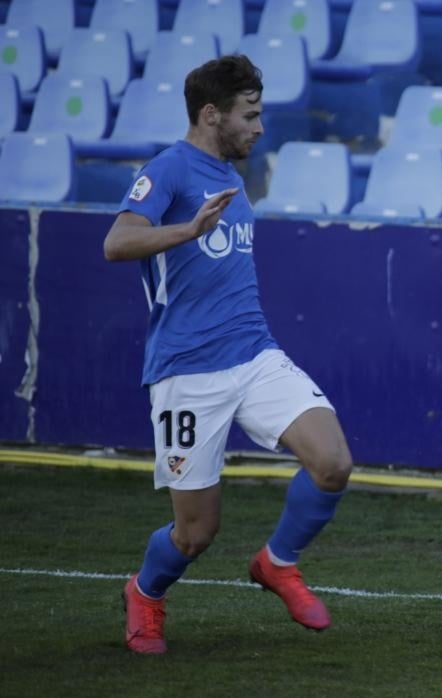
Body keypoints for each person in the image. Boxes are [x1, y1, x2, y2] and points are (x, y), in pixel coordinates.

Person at [103, 55, 353, 655]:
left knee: (333, 462)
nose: (259, 128)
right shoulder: (166, 170)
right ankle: (145, 594)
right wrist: (186, 230)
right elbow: (117, 243)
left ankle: (277, 563)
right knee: (195, 534)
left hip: (253, 352)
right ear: (211, 115)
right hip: (186, 370)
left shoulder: (231, 174)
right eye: (251, 115)